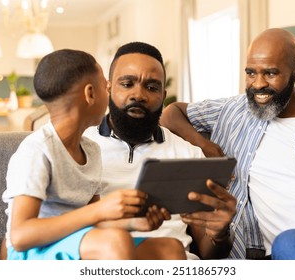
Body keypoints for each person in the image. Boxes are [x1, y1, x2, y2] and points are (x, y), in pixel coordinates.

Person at [160, 28, 295, 260]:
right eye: (251, 73)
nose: (258, 84)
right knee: (290, 243)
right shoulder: (230, 111)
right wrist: (205, 145)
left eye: (271, 73)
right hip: (277, 253)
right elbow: (171, 113)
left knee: (291, 242)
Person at [1, 49, 186, 260]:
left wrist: (134, 223)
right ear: (90, 94)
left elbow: (97, 220)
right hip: (32, 250)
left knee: (170, 249)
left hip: (77, 240)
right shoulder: (37, 150)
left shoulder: (91, 150)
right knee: (115, 242)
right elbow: (20, 235)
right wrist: (99, 210)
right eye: (105, 87)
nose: (110, 94)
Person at [83, 42, 237, 260]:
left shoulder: (188, 155)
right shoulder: (79, 148)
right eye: (127, 84)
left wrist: (220, 233)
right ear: (109, 87)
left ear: (163, 95)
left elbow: (209, 253)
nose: (139, 95)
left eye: (152, 87)